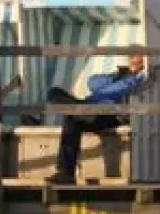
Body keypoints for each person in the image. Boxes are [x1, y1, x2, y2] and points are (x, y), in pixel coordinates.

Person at [44, 55, 148, 185]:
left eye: (137, 57)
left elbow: (123, 88)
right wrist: (113, 78)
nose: (133, 60)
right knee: (55, 93)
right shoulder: (117, 75)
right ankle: (66, 174)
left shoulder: (141, 77)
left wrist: (128, 77)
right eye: (131, 57)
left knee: (72, 117)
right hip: (89, 106)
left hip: (109, 113)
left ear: (144, 61)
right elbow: (92, 82)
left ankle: (66, 172)